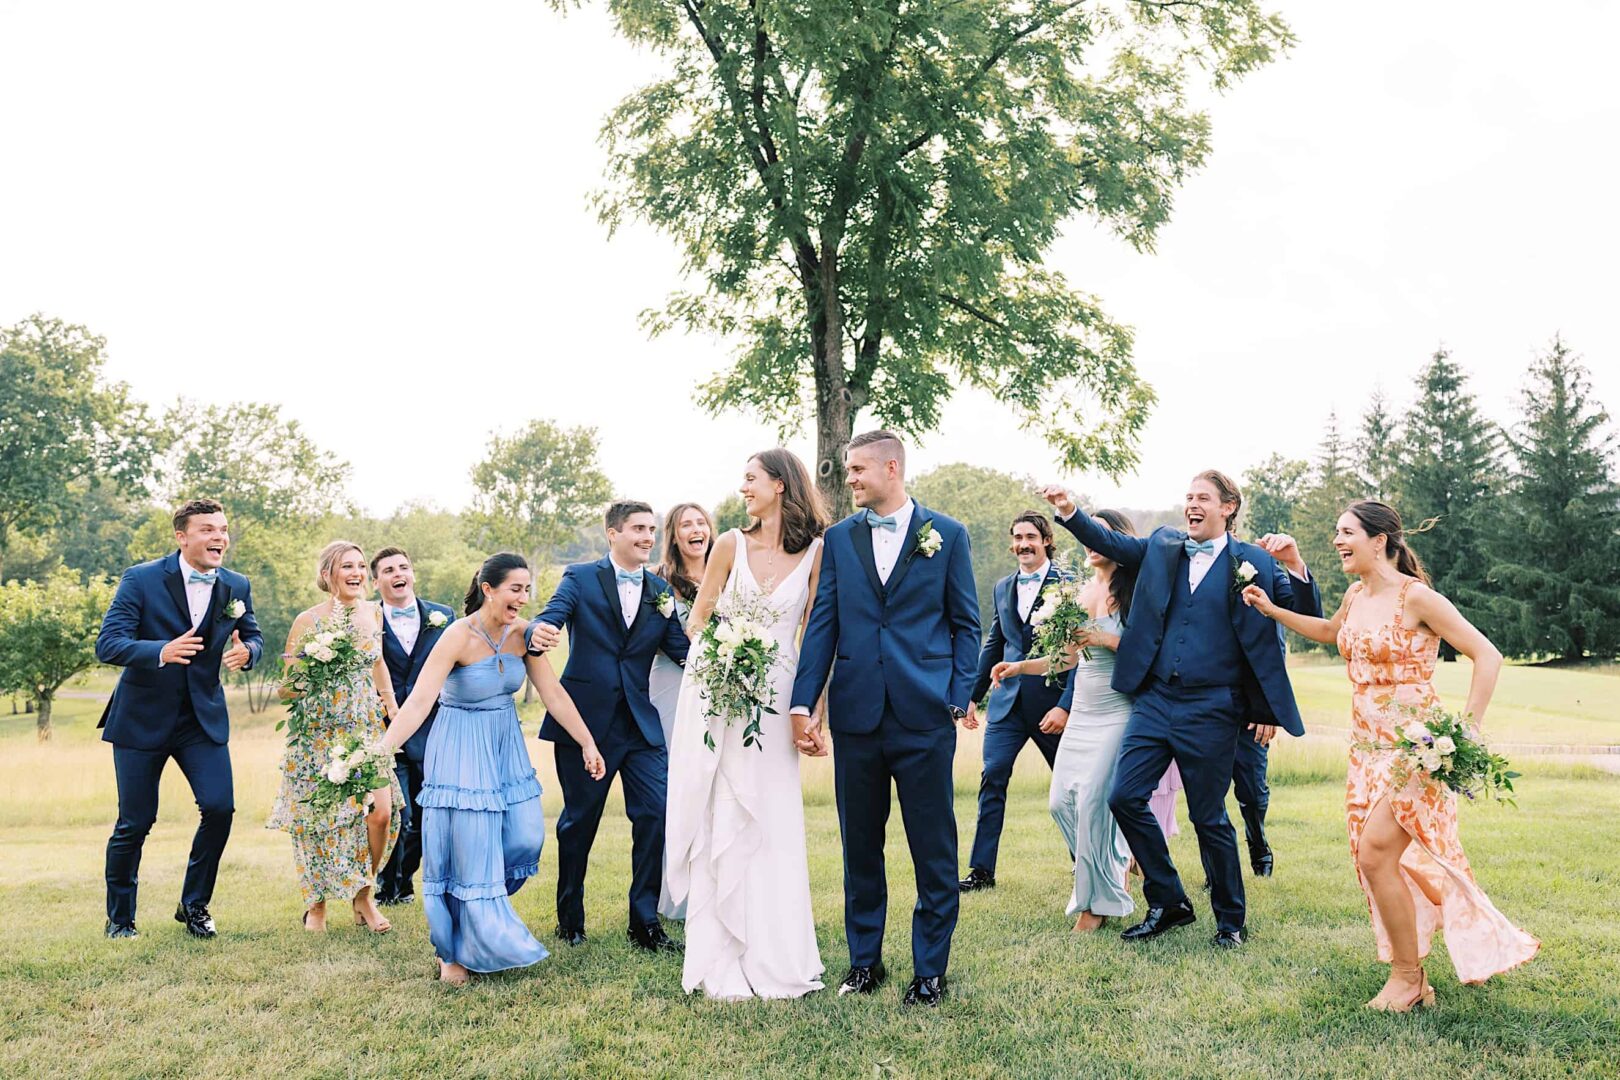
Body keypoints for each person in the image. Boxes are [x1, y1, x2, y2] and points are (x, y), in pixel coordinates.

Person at [1241, 500, 1538, 1010]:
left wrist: (1464, 732)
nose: (1337, 541)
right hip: (1366, 749)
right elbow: (1333, 633)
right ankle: (1433, 957)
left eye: (1347, 532)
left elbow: (1486, 654)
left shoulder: (1416, 597)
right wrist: (1272, 610)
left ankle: (1408, 979)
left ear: (1379, 540)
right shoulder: (1356, 594)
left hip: (1417, 750)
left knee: (1376, 853)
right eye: (1336, 531)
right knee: (1385, 860)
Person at [1041, 473, 1320, 949]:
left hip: (1213, 706)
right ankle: (1169, 900)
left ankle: (1231, 921)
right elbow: (1107, 540)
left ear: (1228, 508)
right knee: (1123, 796)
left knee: (1208, 816)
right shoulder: (1163, 547)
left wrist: (1293, 563)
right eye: (1188, 497)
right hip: (1153, 699)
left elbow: (1306, 614)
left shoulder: (1252, 560)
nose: (1192, 505)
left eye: (1203, 498)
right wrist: (1069, 512)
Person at [791, 430, 980, 1007]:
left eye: (856, 470)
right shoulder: (840, 540)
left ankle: (930, 972)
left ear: (890, 467)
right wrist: (804, 702)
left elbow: (967, 624)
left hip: (923, 714)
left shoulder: (946, 535)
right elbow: (823, 621)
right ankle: (864, 963)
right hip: (856, 714)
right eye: (847, 470)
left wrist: (955, 694)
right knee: (860, 848)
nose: (848, 479)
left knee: (933, 848)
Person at [381, 553, 607, 985]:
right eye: (515, 589)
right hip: (460, 746)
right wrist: (382, 750)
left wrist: (587, 742)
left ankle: (479, 919)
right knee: (467, 848)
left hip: (504, 745)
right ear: (488, 589)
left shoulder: (525, 636)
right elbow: (421, 700)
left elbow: (553, 695)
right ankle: (452, 951)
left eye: (527, 590)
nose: (523, 599)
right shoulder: (457, 637)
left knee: (524, 837)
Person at [665, 449, 828, 1000]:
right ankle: (722, 955)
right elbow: (698, 622)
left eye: (751, 479)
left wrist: (815, 713)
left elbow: (814, 638)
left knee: (773, 819)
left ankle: (777, 955)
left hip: (779, 703)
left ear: (780, 485)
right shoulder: (729, 544)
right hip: (725, 701)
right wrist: (727, 657)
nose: (743, 489)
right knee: (725, 814)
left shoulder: (817, 553)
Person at [526, 501, 692, 952]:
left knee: (656, 815)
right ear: (612, 533)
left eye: (652, 529)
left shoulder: (660, 590)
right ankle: (570, 919)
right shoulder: (580, 577)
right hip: (585, 723)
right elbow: (550, 614)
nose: (647, 536)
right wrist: (537, 631)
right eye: (638, 528)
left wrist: (727, 661)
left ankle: (645, 924)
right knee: (579, 822)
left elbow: (682, 650)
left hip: (641, 726)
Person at [96, 498, 263, 940]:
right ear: (181, 536)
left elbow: (255, 635)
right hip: (141, 718)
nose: (219, 538)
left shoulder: (236, 585)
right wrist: (160, 652)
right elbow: (108, 644)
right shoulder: (142, 579)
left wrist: (249, 653)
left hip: (201, 720)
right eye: (208, 529)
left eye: (223, 530)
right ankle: (120, 919)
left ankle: (193, 906)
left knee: (220, 807)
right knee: (136, 821)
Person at [991, 509, 1141, 931]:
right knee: (1061, 803)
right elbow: (1067, 659)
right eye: (1087, 535)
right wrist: (1019, 667)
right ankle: (1115, 863)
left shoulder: (1136, 591)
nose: (1090, 542)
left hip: (1116, 710)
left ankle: (1096, 906)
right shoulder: (1079, 593)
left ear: (1120, 541)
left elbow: (1150, 651)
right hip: (1084, 714)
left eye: (1100, 535)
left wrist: (1106, 637)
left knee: (1094, 801)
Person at [268, 541, 402, 934]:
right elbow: (286, 689)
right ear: (328, 573)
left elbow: (377, 661)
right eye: (348, 566)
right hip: (317, 733)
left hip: (363, 728)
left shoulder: (374, 612)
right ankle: (316, 905)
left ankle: (364, 895)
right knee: (318, 820)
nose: (358, 572)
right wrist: (314, 665)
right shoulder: (307, 621)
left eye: (361, 565)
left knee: (382, 812)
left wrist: (390, 705)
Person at [958, 511, 1068, 894]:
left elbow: (1079, 653)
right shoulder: (1003, 586)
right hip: (1006, 707)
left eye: (1031, 537)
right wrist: (971, 697)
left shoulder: (1068, 583)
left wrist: (1067, 705)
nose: (1023, 544)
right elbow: (994, 642)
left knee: (1070, 788)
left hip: (1053, 706)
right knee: (992, 778)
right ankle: (981, 871)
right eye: (1018, 537)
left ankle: (1085, 862)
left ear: (1046, 541)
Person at [371, 546, 458, 906]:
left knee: (424, 816)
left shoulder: (443, 615)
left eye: (403, 567)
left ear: (413, 573)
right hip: (385, 729)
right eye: (388, 570)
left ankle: (404, 881)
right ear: (376, 582)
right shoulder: (366, 619)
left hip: (435, 728)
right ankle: (385, 886)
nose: (397, 574)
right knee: (396, 813)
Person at [650, 503, 714, 922]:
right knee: (681, 783)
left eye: (701, 522)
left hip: (722, 689)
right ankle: (676, 894)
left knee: (716, 785)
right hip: (674, 686)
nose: (695, 530)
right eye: (685, 525)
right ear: (673, 536)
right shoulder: (659, 583)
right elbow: (664, 639)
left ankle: (716, 885)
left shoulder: (729, 571)